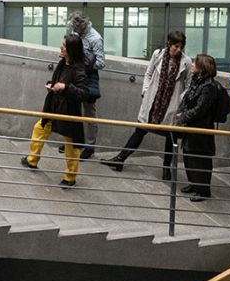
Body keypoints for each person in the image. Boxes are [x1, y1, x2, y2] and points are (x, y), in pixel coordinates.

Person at [105, 31, 191, 175]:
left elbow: (189, 85)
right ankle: (120, 158)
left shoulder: (186, 62)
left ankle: (166, 168)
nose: (179, 50)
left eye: (181, 47)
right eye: (176, 46)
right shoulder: (158, 55)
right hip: (153, 101)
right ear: (169, 44)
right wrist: (145, 91)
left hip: (171, 104)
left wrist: (180, 101)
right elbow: (148, 73)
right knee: (140, 130)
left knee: (171, 136)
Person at [22, 34, 89, 188]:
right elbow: (59, 82)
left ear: (71, 50)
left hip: (68, 112)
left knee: (71, 145)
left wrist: (65, 87)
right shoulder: (62, 63)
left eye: (64, 46)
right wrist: (52, 85)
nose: (61, 47)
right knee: (39, 128)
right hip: (54, 106)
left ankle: (70, 177)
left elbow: (83, 93)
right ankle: (32, 160)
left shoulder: (78, 69)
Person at [172, 54, 228, 202]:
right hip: (191, 127)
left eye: (195, 64)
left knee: (200, 159)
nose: (192, 66)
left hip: (201, 129)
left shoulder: (208, 87)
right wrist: (181, 111)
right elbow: (187, 99)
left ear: (202, 68)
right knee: (189, 156)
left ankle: (203, 189)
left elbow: (200, 108)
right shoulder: (197, 82)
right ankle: (195, 184)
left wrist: (183, 116)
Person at [67, 11, 105, 159]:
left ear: (81, 25)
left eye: (75, 28)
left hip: (88, 77)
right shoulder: (77, 33)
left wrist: (85, 62)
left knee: (89, 113)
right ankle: (74, 141)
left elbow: (101, 63)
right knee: (73, 109)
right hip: (75, 74)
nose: (73, 31)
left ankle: (90, 146)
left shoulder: (95, 39)